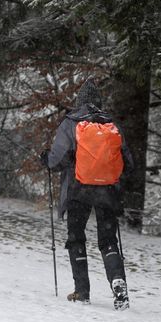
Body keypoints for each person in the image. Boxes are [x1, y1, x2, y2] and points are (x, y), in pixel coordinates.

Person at [40, 78, 134, 310]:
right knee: (108, 240)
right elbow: (128, 163)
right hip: (107, 191)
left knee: (76, 237)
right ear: (99, 101)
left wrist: (46, 160)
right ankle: (118, 283)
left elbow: (57, 161)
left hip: (77, 189)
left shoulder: (71, 123)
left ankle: (82, 291)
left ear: (79, 101)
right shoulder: (111, 124)